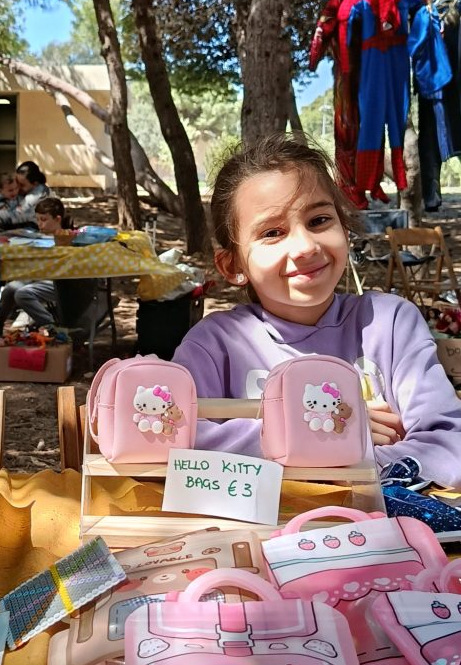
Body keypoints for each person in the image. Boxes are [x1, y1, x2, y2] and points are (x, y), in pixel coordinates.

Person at [172, 133, 461, 489]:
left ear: (344, 227)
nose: (306, 246)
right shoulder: (214, 345)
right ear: (233, 266)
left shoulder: (390, 324)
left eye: (319, 220)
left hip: (377, 522)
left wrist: (339, 465)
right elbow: (175, 441)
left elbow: (448, 443)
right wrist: (314, 436)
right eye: (273, 232)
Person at [0, 196, 68, 335]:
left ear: (57, 219)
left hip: (58, 282)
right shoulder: (38, 238)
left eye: (44, 220)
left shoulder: (66, 238)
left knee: (22, 294)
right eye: (37, 219)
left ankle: (50, 325)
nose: (40, 224)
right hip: (37, 277)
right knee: (10, 289)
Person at [0, 160, 51, 228]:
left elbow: (16, 215)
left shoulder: (36, 194)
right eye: (17, 182)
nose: (17, 187)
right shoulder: (23, 191)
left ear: (35, 184)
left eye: (22, 185)